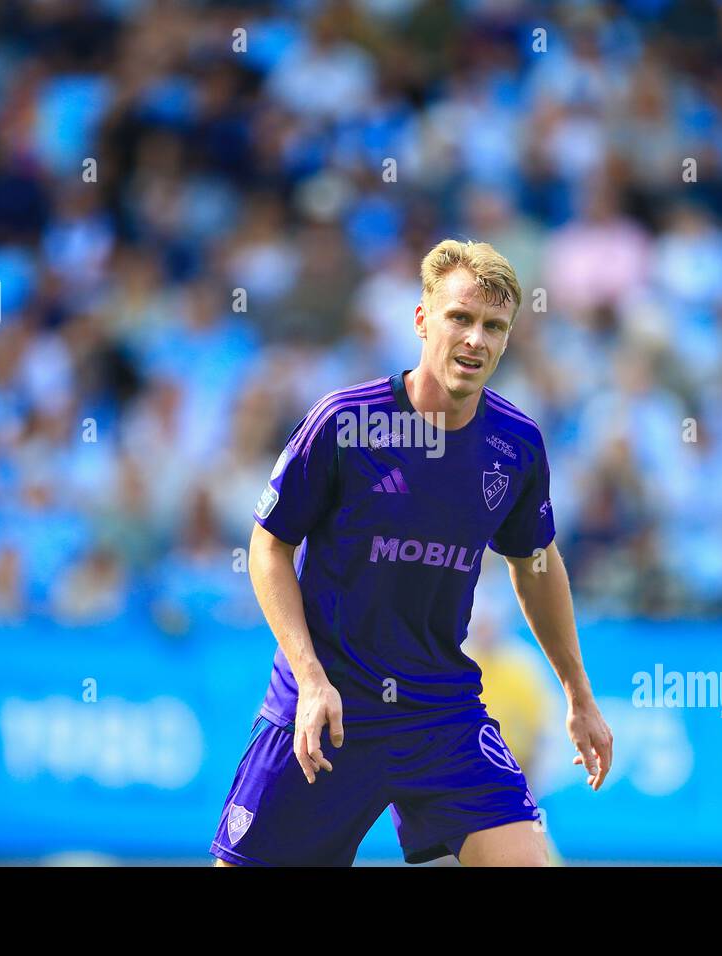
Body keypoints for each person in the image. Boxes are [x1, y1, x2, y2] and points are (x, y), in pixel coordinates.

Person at [210, 239, 613, 866]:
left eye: (494, 327)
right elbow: (269, 546)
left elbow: (535, 562)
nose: (476, 339)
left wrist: (578, 693)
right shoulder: (346, 423)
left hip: (440, 712)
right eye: (461, 318)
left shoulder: (516, 445)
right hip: (329, 709)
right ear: (423, 319)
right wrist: (311, 679)